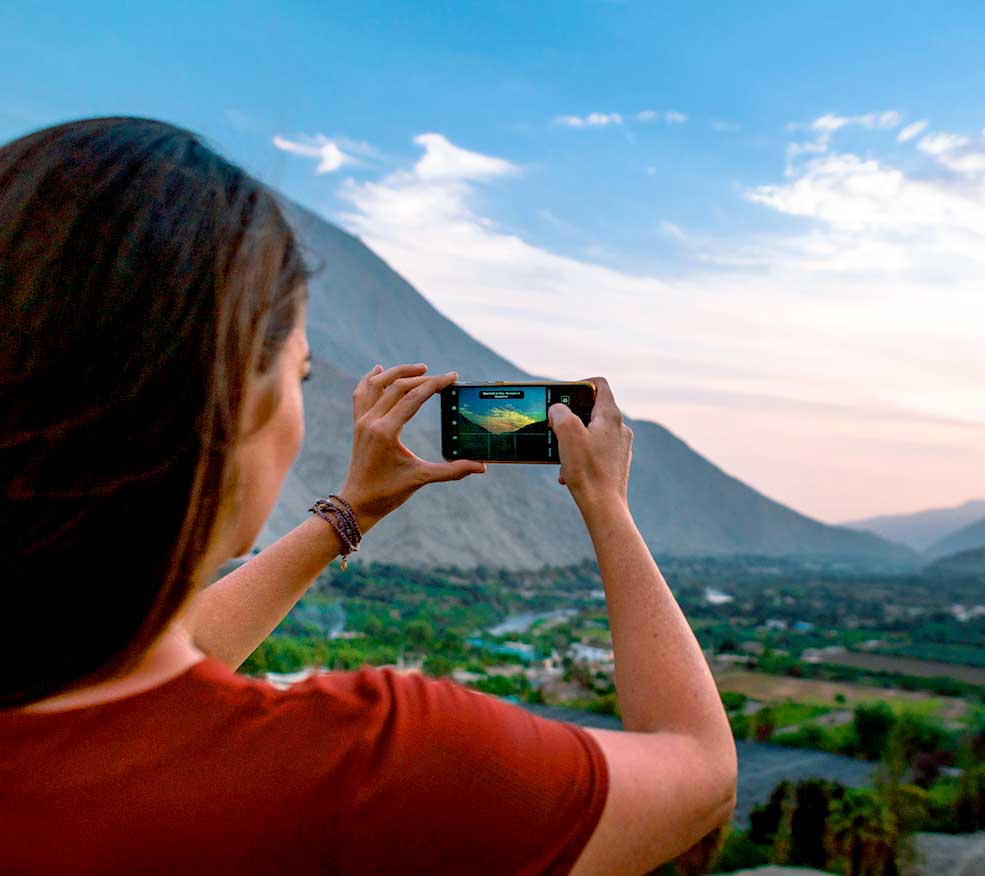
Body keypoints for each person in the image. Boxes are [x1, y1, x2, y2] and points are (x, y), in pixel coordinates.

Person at [0, 118, 737, 875]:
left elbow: (150, 659)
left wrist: (351, 510)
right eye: (301, 374)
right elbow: (701, 776)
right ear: (230, 401)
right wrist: (605, 502)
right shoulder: (371, 766)